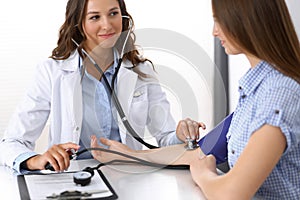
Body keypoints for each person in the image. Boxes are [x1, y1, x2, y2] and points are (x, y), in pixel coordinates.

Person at [90, 0, 300, 199]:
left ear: (247, 20)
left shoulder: (278, 94)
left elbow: (231, 194)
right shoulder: (256, 89)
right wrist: (128, 155)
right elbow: (198, 153)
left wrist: (203, 174)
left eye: (219, 20)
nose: (214, 31)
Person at [0, 0, 205, 173]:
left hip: (130, 177)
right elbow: (11, 143)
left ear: (123, 18)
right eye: (95, 17)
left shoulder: (141, 72)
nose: (107, 25)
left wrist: (179, 134)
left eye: (113, 13)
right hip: (74, 179)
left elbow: (165, 139)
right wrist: (35, 160)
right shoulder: (52, 72)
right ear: (78, 23)